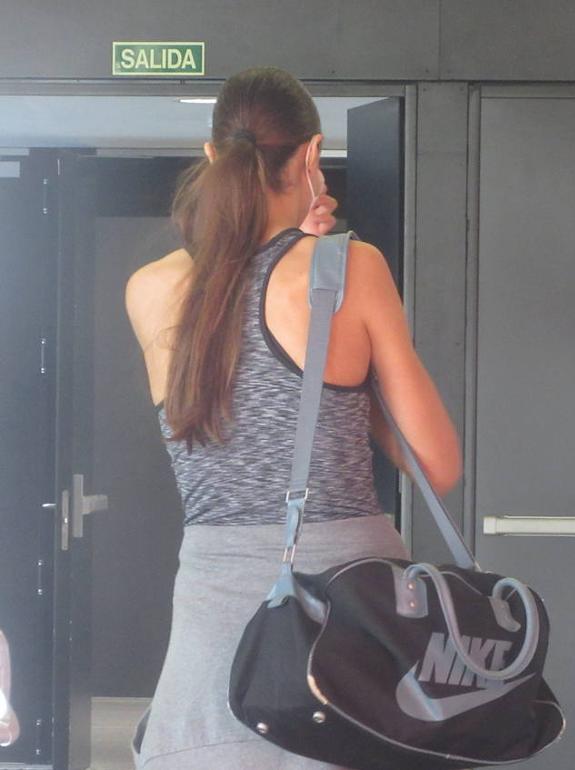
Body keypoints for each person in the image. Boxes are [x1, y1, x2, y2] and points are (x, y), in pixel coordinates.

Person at [124, 67, 461, 769]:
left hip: (213, 621)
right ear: (310, 157)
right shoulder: (350, 270)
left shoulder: (151, 290)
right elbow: (436, 465)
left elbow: (232, 286)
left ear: (214, 156)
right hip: (356, 614)